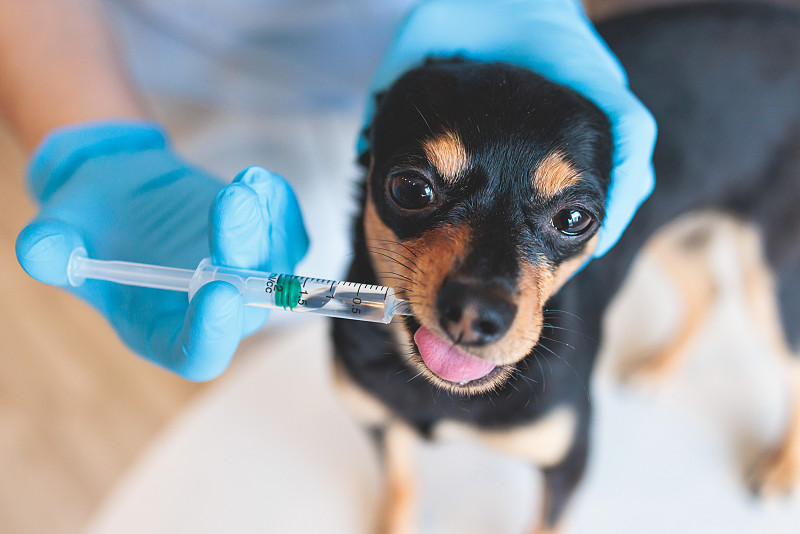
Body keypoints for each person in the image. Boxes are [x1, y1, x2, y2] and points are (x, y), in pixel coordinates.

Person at [1, 0, 655, 381]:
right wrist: (94, 146)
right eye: (418, 190)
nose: (474, 310)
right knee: (250, 291)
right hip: (122, 56)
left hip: (402, 68)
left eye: (568, 217)